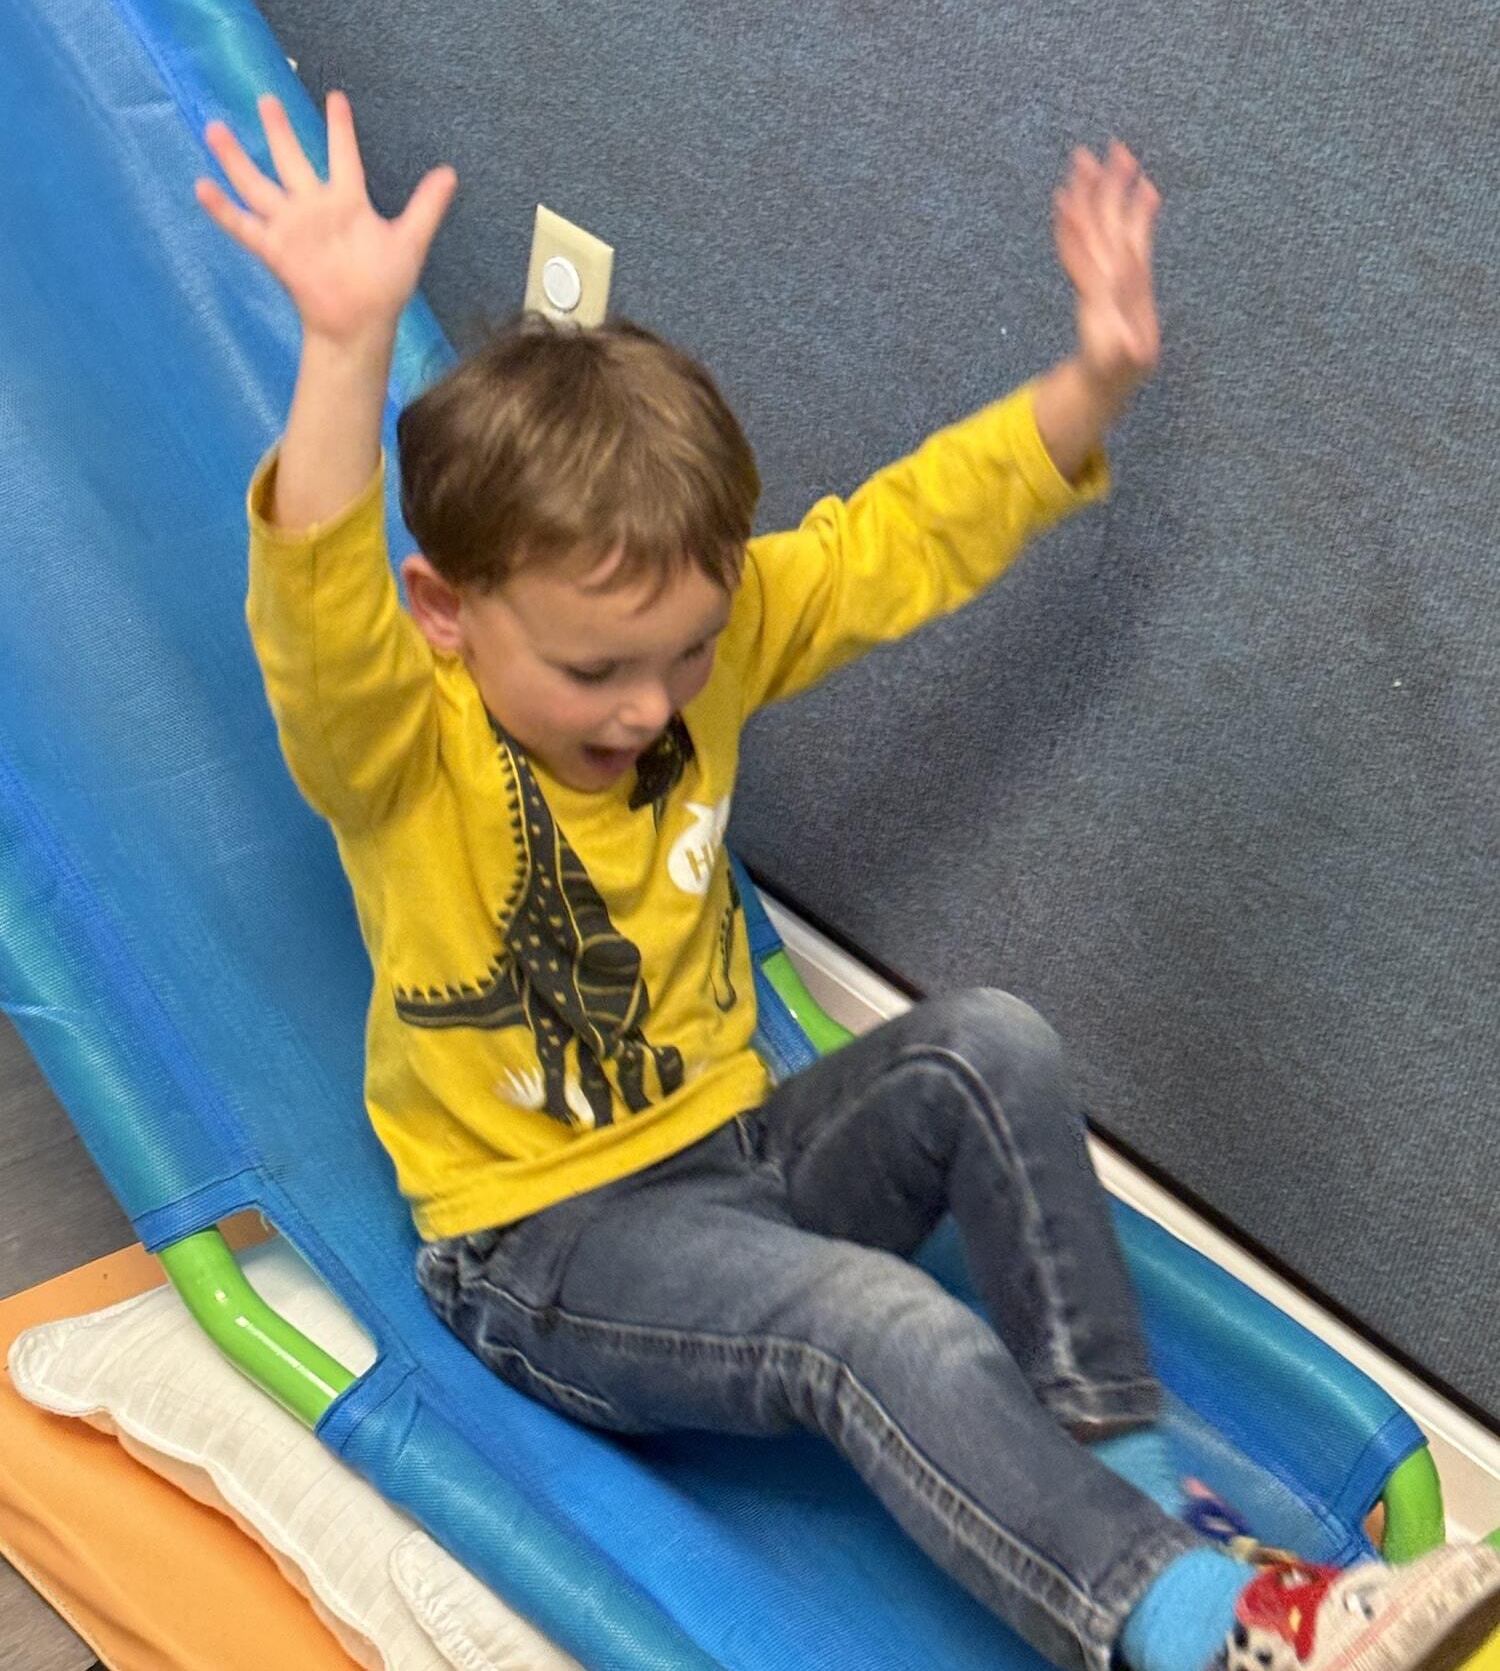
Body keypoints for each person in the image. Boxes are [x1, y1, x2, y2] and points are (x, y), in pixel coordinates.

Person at [200, 91, 1500, 1671]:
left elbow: (898, 538)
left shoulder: (704, 652)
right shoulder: (405, 748)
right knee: (881, 1327)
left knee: (990, 1039)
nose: (649, 705)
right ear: (448, 610)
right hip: (544, 1247)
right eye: (598, 667)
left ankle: (1147, 1522)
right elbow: (319, 624)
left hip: (741, 1147)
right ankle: (1185, 1630)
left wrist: (1091, 380)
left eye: (687, 652)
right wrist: (343, 346)